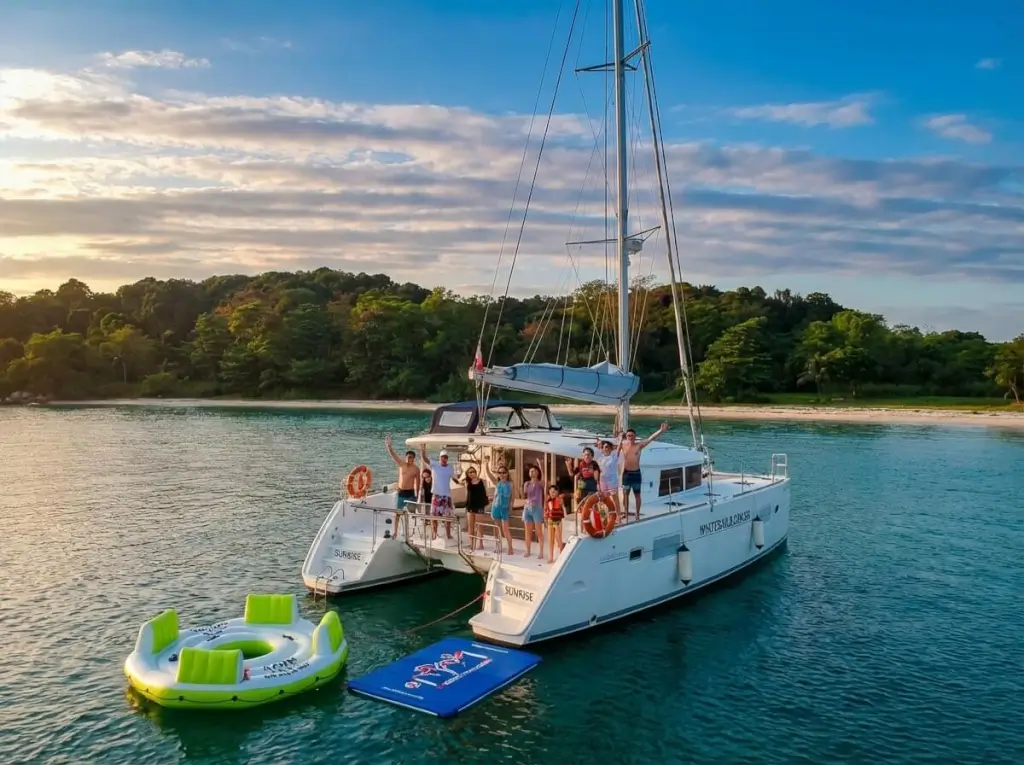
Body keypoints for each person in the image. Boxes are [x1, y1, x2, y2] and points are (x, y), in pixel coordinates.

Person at [619, 422, 670, 521]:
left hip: (636, 473)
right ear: (626, 436)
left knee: (637, 494)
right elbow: (610, 447)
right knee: (625, 494)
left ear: (635, 436)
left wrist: (661, 430)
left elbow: (651, 438)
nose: (630, 437)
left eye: (632, 436)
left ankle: (637, 514)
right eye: (628, 435)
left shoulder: (639, 445)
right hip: (626, 474)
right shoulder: (622, 445)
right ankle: (625, 513)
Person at [420, 444, 459, 541]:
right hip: (436, 496)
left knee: (448, 517)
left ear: (447, 458)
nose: (444, 459)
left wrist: (461, 481)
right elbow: (425, 459)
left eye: (446, 457)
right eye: (442, 457)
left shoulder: (450, 468)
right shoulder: (434, 464)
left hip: (447, 496)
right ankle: (434, 534)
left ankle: (448, 534)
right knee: (434, 517)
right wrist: (423, 450)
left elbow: (455, 479)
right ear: (440, 457)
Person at [384, 435, 420, 511]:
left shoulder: (416, 469)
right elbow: (393, 455)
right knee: (398, 512)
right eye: (407, 457)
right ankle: (396, 523)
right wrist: (389, 447)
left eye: (410, 457)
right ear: (405, 457)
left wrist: (417, 496)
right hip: (401, 492)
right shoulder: (401, 464)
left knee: (411, 511)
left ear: (413, 458)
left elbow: (417, 483)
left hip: (410, 493)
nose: (408, 459)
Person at [564, 447, 600, 513]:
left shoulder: (594, 464)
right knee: (582, 502)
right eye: (585, 455)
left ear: (592, 456)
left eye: (588, 455)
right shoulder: (581, 464)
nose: (586, 456)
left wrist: (598, 484)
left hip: (592, 486)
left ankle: (596, 517)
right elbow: (572, 474)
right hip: (582, 486)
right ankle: (584, 518)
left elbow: (596, 477)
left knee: (593, 504)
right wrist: (568, 466)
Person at [462, 465, 489, 551]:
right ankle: (471, 543)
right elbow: (466, 495)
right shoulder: (467, 483)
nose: (472, 473)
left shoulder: (482, 481)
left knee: (480, 525)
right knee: (470, 526)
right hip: (470, 506)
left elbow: (485, 492)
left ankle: (481, 543)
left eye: (473, 471)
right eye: (470, 472)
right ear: (467, 474)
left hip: (479, 506)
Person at [521, 460, 545, 558]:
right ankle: (528, 551)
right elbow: (525, 495)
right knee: (528, 531)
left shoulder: (540, 483)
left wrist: (541, 466)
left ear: (538, 473)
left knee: (539, 531)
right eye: (531, 471)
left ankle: (541, 552)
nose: (533, 472)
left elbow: (544, 482)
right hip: (527, 508)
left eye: (535, 471)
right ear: (529, 473)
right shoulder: (527, 483)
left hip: (537, 508)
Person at [490, 463, 515, 555]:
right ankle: (497, 546)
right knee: (497, 529)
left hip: (505, 509)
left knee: (506, 529)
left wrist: (511, 508)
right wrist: (485, 465)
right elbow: (489, 475)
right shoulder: (497, 483)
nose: (502, 474)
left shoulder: (511, 484)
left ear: (507, 473)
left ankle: (510, 548)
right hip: (496, 507)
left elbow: (512, 497)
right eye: (500, 473)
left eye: (504, 472)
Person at [594, 438, 621, 515]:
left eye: (607, 447)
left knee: (615, 498)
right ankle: (607, 515)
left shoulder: (614, 457)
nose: (606, 449)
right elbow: (598, 471)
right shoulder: (600, 458)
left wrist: (621, 438)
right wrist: (598, 483)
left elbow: (619, 448)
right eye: (604, 447)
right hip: (603, 481)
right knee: (604, 499)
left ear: (611, 448)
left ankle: (618, 516)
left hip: (612, 481)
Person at [544, 484, 565, 563]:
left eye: (554, 492)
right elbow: (547, 511)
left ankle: (561, 554)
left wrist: (558, 498)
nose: (552, 493)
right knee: (550, 540)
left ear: (557, 492)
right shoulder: (548, 501)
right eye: (551, 492)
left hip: (558, 522)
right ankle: (551, 557)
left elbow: (557, 506)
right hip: (550, 521)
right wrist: (546, 518)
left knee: (559, 539)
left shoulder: (559, 499)